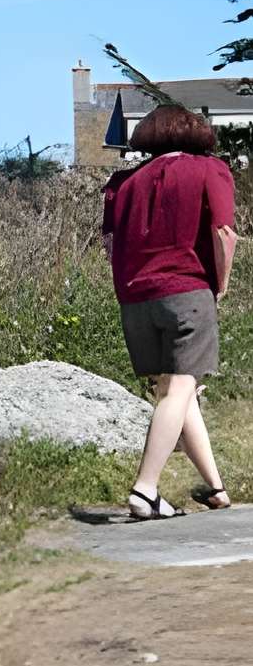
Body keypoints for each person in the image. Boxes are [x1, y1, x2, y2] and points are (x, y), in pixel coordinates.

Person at [102, 103, 239, 520]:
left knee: (177, 391)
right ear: (196, 133)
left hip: (135, 299)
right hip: (186, 290)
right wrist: (220, 285)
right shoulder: (209, 169)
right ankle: (145, 490)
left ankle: (216, 488)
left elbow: (110, 244)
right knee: (179, 389)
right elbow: (223, 232)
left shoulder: (122, 182)